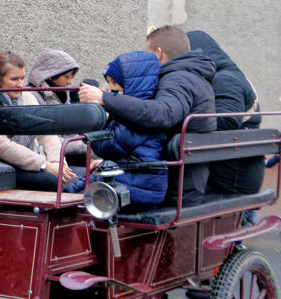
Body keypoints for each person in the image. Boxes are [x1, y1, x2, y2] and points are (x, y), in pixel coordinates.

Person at [79, 25, 217, 206]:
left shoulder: (178, 79)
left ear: (158, 54)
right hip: (180, 182)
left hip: (170, 187)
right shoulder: (192, 76)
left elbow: (163, 114)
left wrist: (105, 98)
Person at [64, 51, 168, 205]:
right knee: (70, 190)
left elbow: (105, 146)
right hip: (130, 178)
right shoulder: (131, 114)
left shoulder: (136, 119)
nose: (107, 89)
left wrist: (92, 111)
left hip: (140, 186)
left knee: (73, 197)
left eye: (113, 83)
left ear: (131, 86)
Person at [0, 51, 76, 191]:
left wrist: (58, 163)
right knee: (51, 181)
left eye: (22, 78)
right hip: (4, 167)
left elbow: (46, 133)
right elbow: (0, 145)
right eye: (14, 79)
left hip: (33, 162)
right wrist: (44, 165)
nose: (20, 84)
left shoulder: (27, 97)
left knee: (79, 179)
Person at [187, 30, 264, 195]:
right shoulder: (231, 75)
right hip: (240, 173)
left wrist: (185, 120)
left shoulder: (225, 79)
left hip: (233, 180)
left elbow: (226, 121)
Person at [26, 50, 86, 158]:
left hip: (65, 152)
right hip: (46, 155)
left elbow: (69, 130)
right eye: (67, 77)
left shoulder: (62, 94)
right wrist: (83, 146)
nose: (70, 82)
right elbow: (43, 139)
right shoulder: (31, 96)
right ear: (50, 76)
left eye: (71, 77)